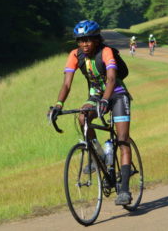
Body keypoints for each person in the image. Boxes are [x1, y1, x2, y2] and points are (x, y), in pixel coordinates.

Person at [49, 20, 132, 205]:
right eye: (80, 40)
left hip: (117, 95)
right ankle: (98, 154)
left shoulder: (106, 51)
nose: (84, 44)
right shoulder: (75, 55)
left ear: (96, 39)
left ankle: (125, 190)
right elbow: (66, 84)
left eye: (88, 40)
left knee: (122, 139)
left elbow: (111, 79)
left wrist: (105, 100)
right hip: (95, 96)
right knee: (82, 117)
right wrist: (58, 105)